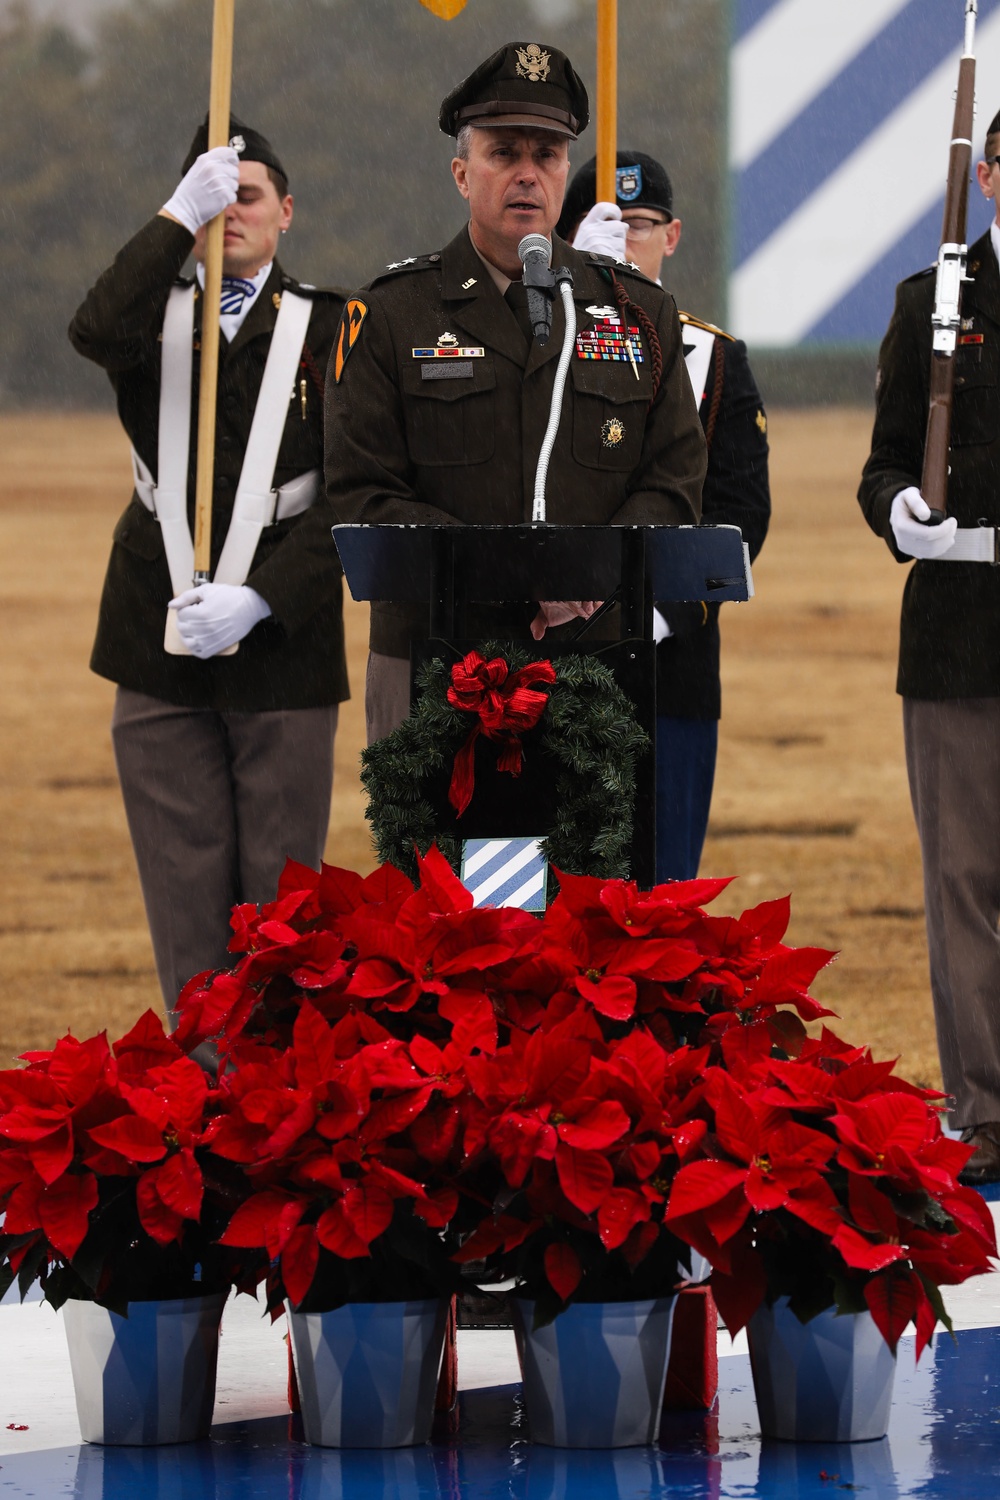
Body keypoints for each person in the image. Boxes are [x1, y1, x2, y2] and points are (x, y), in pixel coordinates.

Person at [325, 43, 706, 746]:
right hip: (436, 661)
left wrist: (585, 576)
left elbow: (676, 478)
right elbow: (362, 496)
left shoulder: (637, 312)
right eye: (505, 153)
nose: (528, 174)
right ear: (462, 173)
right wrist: (521, 577)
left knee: (587, 862)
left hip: (594, 658)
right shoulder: (390, 314)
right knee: (436, 863)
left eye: (549, 154)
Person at [69, 116, 349, 1030]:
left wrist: (264, 595)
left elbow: (359, 492)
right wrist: (171, 220)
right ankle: (197, 1120)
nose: (233, 213)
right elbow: (92, 327)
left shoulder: (338, 327)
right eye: (214, 199)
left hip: (285, 640)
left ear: (287, 211)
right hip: (160, 634)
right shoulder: (152, 320)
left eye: (249, 194)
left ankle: (278, 1122)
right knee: (186, 909)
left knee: (280, 914)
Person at [558, 152, 771, 883]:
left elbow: (740, 513)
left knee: (665, 897)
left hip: (671, 665)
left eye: (639, 223)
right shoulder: (533, 344)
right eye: (598, 225)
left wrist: (659, 611)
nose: (625, 240)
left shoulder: (714, 358)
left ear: (672, 235)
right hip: (551, 659)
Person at [858, 108, 1000, 1182]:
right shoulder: (933, 304)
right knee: (962, 876)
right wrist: (899, 508)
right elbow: (884, 461)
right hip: (959, 623)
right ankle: (986, 1107)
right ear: (987, 175)